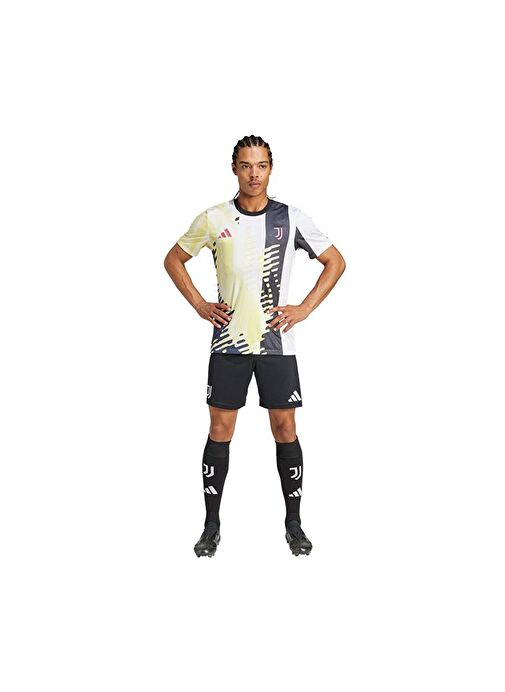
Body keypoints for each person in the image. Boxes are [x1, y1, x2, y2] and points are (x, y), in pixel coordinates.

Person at [163, 134, 346, 557]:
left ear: (270, 168)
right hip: (228, 344)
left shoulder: (291, 217)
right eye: (246, 165)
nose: (254, 174)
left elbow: (335, 261)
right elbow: (173, 258)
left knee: (285, 429)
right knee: (219, 430)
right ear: (235, 169)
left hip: (276, 345)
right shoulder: (214, 217)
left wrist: (304, 308)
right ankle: (211, 526)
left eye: (261, 165)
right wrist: (199, 305)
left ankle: (294, 524)